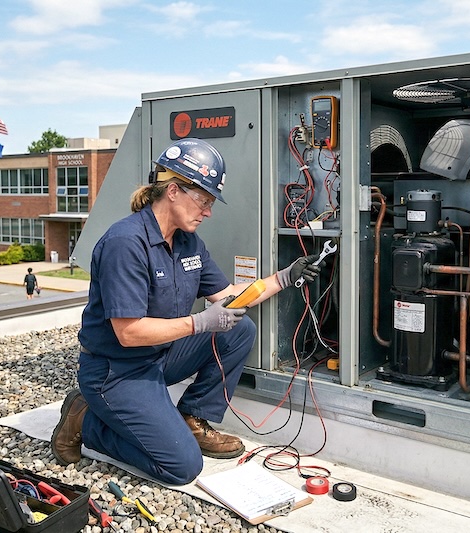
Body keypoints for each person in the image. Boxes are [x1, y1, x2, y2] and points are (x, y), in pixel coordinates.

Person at [50, 138, 322, 485]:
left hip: (158, 357)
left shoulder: (186, 241)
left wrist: (285, 276)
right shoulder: (126, 243)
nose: (208, 211)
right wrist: (198, 323)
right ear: (175, 191)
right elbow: (128, 332)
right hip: (115, 370)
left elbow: (229, 297)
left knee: (239, 330)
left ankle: (192, 419)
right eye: (204, 200)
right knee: (182, 468)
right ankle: (86, 422)